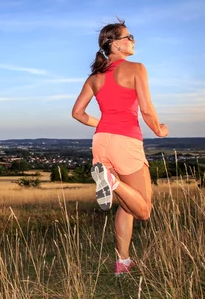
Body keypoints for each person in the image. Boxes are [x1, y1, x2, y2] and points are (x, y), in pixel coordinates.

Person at [71, 19, 168, 276]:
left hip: (101, 140)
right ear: (113, 44)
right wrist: (159, 129)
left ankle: (122, 263)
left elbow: (78, 113)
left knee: (126, 205)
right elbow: (146, 109)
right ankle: (111, 182)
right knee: (144, 210)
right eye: (129, 37)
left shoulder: (95, 78)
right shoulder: (136, 68)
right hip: (126, 140)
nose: (133, 40)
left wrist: (102, 122)